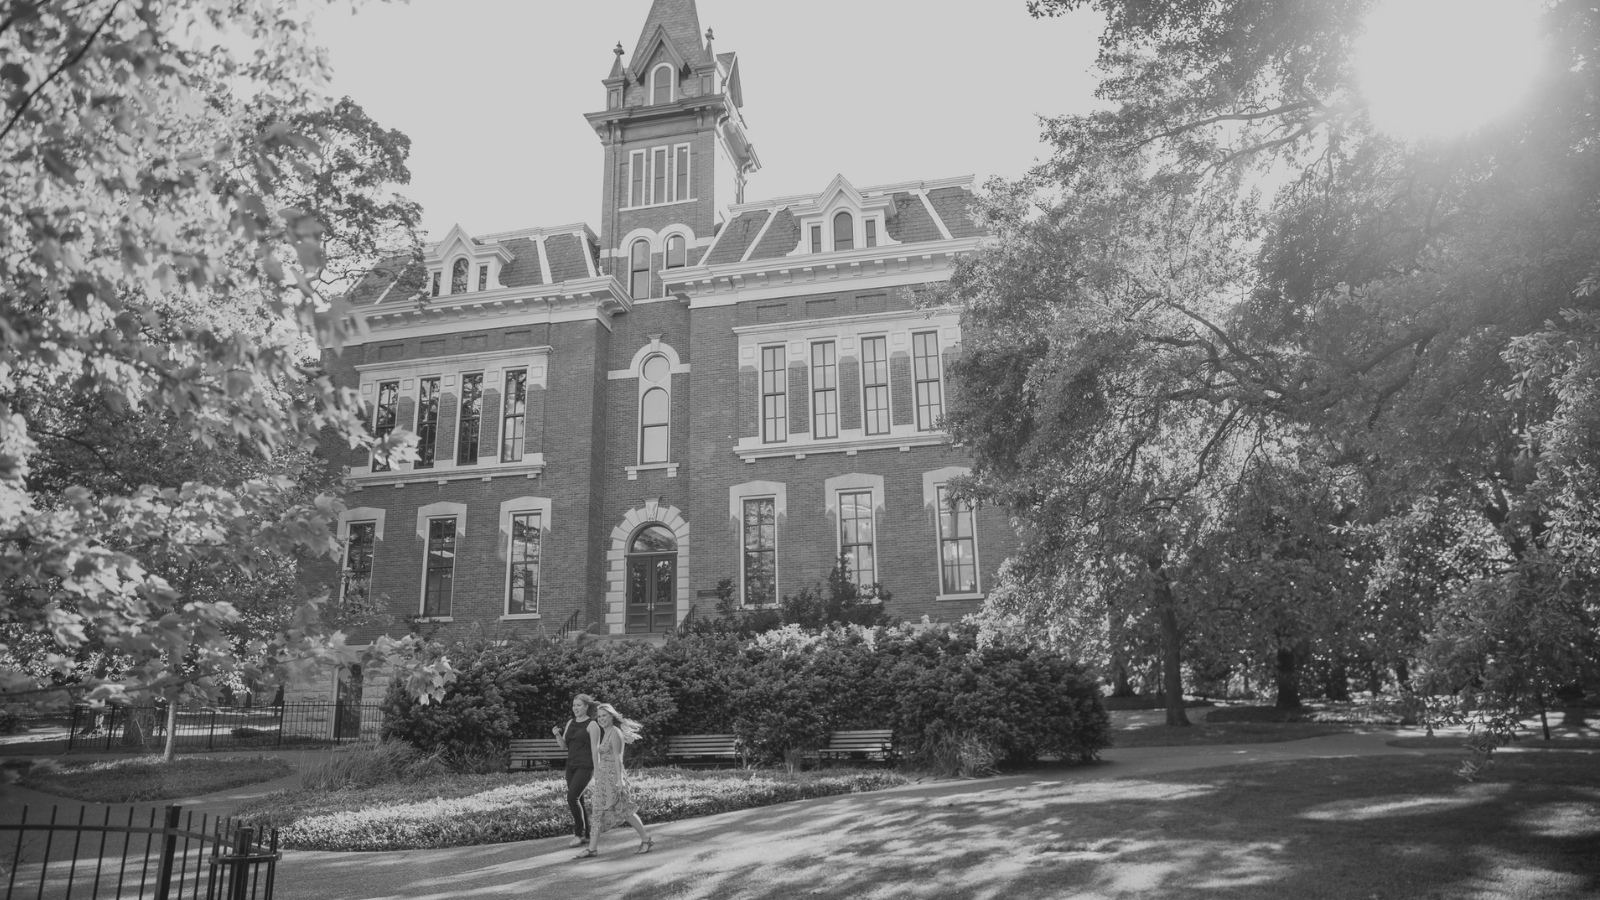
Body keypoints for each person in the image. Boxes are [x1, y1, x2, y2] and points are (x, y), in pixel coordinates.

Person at [573, 703, 652, 858]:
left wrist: (620, 780)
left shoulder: (615, 732)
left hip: (613, 778)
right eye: (599, 716)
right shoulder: (605, 732)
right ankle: (592, 848)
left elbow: (618, 758)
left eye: (604, 715)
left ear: (611, 716)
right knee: (597, 811)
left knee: (624, 810)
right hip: (603, 778)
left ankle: (646, 839)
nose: (601, 718)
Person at [551, 694, 602, 848]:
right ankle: (586, 834)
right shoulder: (570, 722)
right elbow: (564, 746)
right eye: (574, 705)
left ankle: (578, 834)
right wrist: (557, 735)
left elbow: (595, 749)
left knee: (572, 798)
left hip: (585, 766)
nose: (575, 708)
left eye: (579, 705)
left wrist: (597, 769)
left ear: (586, 707)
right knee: (578, 799)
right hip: (571, 765)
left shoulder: (592, 724)